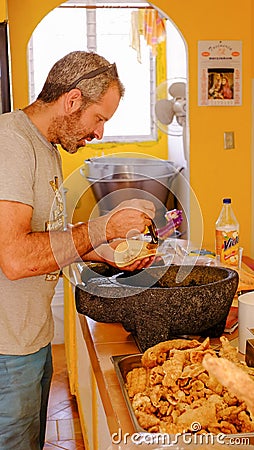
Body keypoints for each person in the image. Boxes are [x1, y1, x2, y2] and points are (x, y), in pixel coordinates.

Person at [0, 50, 156, 450]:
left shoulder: (45, 146)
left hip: (31, 340)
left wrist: (99, 250)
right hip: (5, 352)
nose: (100, 132)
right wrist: (102, 226)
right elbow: (16, 257)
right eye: (99, 118)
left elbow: (46, 238)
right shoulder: (10, 144)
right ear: (72, 101)